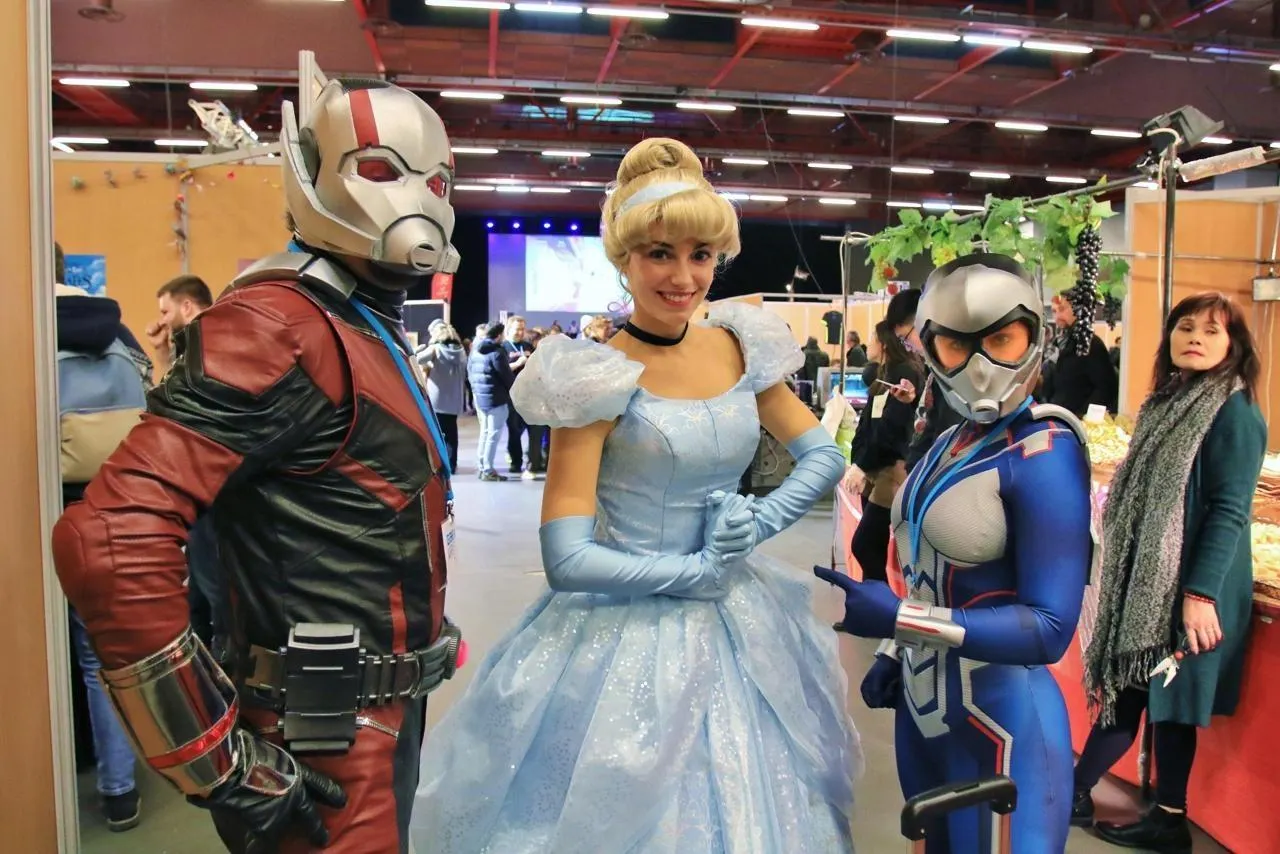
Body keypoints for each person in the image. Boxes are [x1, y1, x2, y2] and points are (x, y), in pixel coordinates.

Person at [52, 74, 465, 854]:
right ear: (312, 173)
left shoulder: (351, 320)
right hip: (321, 736)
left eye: (437, 180)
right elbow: (108, 539)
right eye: (380, 168)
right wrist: (215, 761)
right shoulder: (278, 325)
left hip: (373, 718)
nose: (416, 198)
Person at [411, 138, 860, 853]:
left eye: (700, 255)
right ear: (623, 259)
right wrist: (692, 572)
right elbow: (567, 558)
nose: (683, 277)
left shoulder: (740, 347)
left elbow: (823, 456)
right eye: (659, 254)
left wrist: (758, 520)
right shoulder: (595, 375)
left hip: (741, 619)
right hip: (620, 628)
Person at [816, 254, 1094, 854]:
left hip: (1005, 724)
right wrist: (894, 650)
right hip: (925, 716)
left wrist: (900, 621)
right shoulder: (949, 441)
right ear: (932, 347)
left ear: (1033, 337)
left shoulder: (1046, 450)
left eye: (1000, 339)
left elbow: (1048, 628)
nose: (980, 365)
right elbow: (925, 574)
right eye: (958, 345)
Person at [1075, 292, 1267, 852]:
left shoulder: (1234, 411)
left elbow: (1230, 510)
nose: (1195, 338)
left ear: (1234, 345)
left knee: (1167, 698)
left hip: (1196, 581)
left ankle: (1161, 817)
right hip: (1153, 579)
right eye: (1185, 327)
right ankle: (1084, 793)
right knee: (1139, 690)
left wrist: (1200, 594)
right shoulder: (1167, 401)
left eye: (1211, 330)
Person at [54, 243, 150, 832]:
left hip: (42, 509)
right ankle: (120, 789)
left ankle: (52, 775)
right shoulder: (120, 333)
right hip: (113, 510)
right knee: (100, 656)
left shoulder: (25, 335)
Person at [842, 289, 923, 581]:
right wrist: (860, 462)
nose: (869, 344)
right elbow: (868, 424)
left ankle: (880, 602)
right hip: (874, 466)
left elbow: (891, 427)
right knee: (872, 546)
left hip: (891, 468)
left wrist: (862, 465)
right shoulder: (881, 376)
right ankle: (871, 601)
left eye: (873, 338)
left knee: (864, 545)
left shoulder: (905, 373)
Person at [1040, 293, 1118, 416]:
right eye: (1054, 311)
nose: (1058, 316)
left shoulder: (1090, 343)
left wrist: (1082, 416)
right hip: (1059, 418)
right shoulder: (1058, 343)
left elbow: (1105, 388)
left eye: (1062, 309)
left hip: (1077, 421)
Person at [468, 322, 516, 481]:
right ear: (499, 335)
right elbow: (507, 377)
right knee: (493, 435)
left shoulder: (476, 350)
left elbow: (470, 373)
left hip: (481, 398)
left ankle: (482, 466)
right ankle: (488, 469)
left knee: (485, 433)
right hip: (497, 399)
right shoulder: (497, 353)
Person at [418, 322, 467, 472]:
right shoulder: (461, 351)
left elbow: (418, 359)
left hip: (437, 399)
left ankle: (439, 463)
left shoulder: (436, 349)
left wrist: (429, 364)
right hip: (455, 400)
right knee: (452, 433)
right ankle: (452, 463)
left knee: (437, 432)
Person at [145, 274, 214, 377]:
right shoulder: (188, 342)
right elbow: (174, 383)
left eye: (165, 312)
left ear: (186, 307)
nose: (162, 321)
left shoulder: (212, 344)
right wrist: (161, 348)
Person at [503, 315, 537, 477]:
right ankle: (516, 462)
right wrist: (518, 363)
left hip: (529, 395)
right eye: (517, 329)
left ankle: (532, 462)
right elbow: (501, 370)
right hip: (511, 395)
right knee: (514, 431)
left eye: (522, 329)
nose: (520, 332)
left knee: (533, 430)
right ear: (509, 329)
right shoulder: (503, 347)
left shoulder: (528, 346)